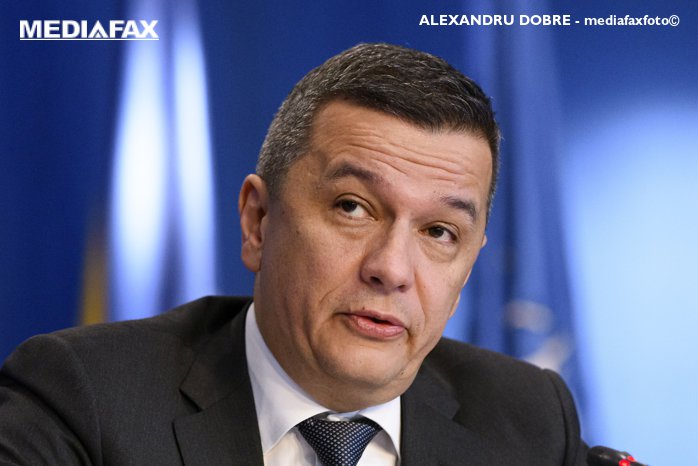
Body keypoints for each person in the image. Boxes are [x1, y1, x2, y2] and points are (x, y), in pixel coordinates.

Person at [0, 43, 587, 465]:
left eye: (439, 232)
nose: (391, 269)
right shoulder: (86, 398)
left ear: (469, 265)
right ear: (258, 221)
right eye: (353, 208)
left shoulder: (529, 419)